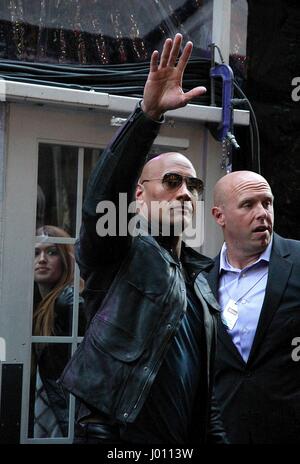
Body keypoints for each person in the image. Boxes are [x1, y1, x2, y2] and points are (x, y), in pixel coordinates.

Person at [60, 34, 227, 445]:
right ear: (139, 195)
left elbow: (208, 391)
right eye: (172, 181)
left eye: (194, 185)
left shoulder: (202, 277)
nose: (185, 193)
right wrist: (147, 116)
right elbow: (103, 198)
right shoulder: (118, 251)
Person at [206, 170, 300, 444]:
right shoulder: (200, 280)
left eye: (267, 203)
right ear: (219, 216)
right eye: (248, 204)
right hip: (224, 433)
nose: (262, 213)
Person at [31, 225, 86, 438]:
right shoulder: (38, 305)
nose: (42, 259)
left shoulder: (68, 299)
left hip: (65, 411)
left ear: (65, 260)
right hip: (50, 406)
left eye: (52, 252)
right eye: (36, 252)